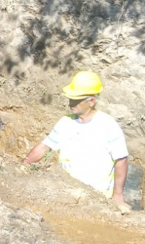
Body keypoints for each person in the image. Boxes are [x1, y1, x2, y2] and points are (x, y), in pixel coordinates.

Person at [23, 71, 131, 212]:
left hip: (96, 199)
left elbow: (121, 159)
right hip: (67, 194)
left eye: (76, 99)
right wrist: (23, 165)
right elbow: (44, 147)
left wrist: (118, 195)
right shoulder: (65, 122)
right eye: (70, 98)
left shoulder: (107, 125)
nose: (70, 103)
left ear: (91, 101)